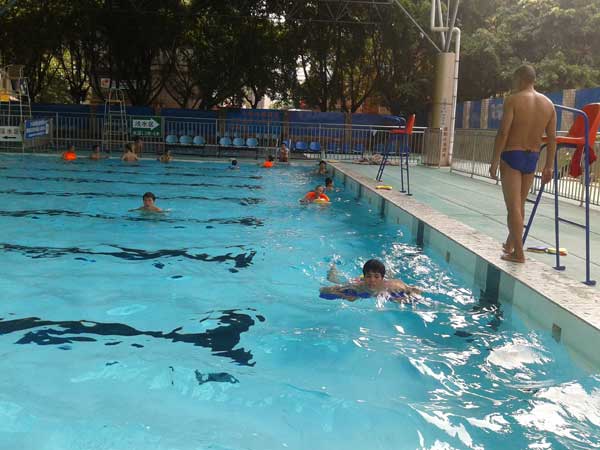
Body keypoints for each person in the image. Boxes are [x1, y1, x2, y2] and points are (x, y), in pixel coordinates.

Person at [489, 65, 556, 263]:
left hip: (512, 155)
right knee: (520, 204)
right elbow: (552, 139)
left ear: (520, 79)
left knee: (513, 208)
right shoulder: (549, 104)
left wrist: (494, 160)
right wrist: (549, 166)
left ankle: (518, 253)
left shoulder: (513, 100)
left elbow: (503, 132)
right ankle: (511, 244)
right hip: (532, 157)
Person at [320, 259, 419, 302]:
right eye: (368, 276)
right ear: (365, 277)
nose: (372, 280)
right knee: (334, 280)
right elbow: (324, 291)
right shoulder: (357, 286)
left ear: (382, 278)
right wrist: (342, 296)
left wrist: (402, 299)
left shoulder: (393, 286)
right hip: (359, 281)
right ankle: (332, 266)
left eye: (376, 277)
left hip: (385, 280)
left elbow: (416, 291)